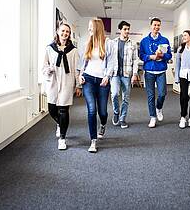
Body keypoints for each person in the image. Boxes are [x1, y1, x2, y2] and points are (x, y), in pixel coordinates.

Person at [42, 23, 80, 150]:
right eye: (63, 31)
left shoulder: (73, 50)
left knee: (63, 110)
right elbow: (44, 66)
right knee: (52, 109)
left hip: (67, 83)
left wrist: (78, 85)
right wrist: (48, 70)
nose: (65, 34)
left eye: (67, 32)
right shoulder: (49, 48)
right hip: (53, 82)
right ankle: (59, 124)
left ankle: (62, 138)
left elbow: (76, 69)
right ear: (58, 31)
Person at [79, 18, 112, 153]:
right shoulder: (88, 42)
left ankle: (103, 124)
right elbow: (83, 62)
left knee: (102, 112)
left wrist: (107, 76)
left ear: (97, 28)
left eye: (91, 27)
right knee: (92, 110)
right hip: (88, 79)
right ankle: (93, 141)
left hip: (102, 81)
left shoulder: (108, 43)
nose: (89, 29)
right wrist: (80, 75)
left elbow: (112, 62)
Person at [139, 17, 172, 128]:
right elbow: (141, 55)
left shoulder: (165, 40)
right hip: (149, 71)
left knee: (162, 93)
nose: (156, 27)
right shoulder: (144, 41)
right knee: (151, 96)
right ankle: (153, 117)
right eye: (155, 25)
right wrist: (150, 57)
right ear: (151, 26)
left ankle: (159, 108)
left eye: (158, 25)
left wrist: (163, 55)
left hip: (161, 70)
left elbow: (169, 55)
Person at [108, 21, 139, 129]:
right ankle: (116, 112)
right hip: (115, 73)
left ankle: (122, 119)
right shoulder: (113, 43)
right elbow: (109, 59)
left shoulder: (132, 44)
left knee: (126, 98)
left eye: (128, 29)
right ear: (120, 30)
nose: (127, 31)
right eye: (125, 29)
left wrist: (135, 74)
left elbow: (135, 60)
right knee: (115, 94)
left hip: (127, 74)